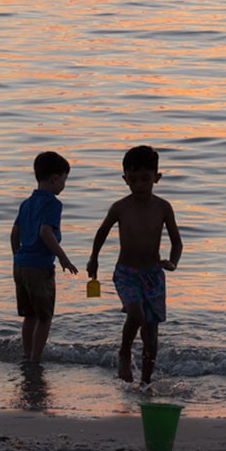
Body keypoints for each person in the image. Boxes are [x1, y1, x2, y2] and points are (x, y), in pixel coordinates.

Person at [86, 145, 183, 385]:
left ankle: (146, 383)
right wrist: (94, 258)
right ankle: (124, 352)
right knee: (136, 315)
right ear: (125, 180)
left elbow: (177, 241)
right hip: (126, 273)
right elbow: (102, 231)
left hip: (153, 275)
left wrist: (172, 262)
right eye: (133, 179)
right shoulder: (121, 206)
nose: (139, 185)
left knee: (151, 335)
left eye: (145, 179)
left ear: (156, 178)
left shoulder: (163, 207)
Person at [10, 151, 78, 363]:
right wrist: (63, 258)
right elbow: (45, 232)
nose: (64, 186)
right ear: (55, 178)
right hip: (39, 267)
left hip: (20, 265)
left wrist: (17, 257)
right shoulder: (53, 204)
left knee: (29, 315)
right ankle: (35, 358)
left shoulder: (26, 203)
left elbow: (14, 234)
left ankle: (27, 353)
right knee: (45, 317)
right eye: (64, 180)